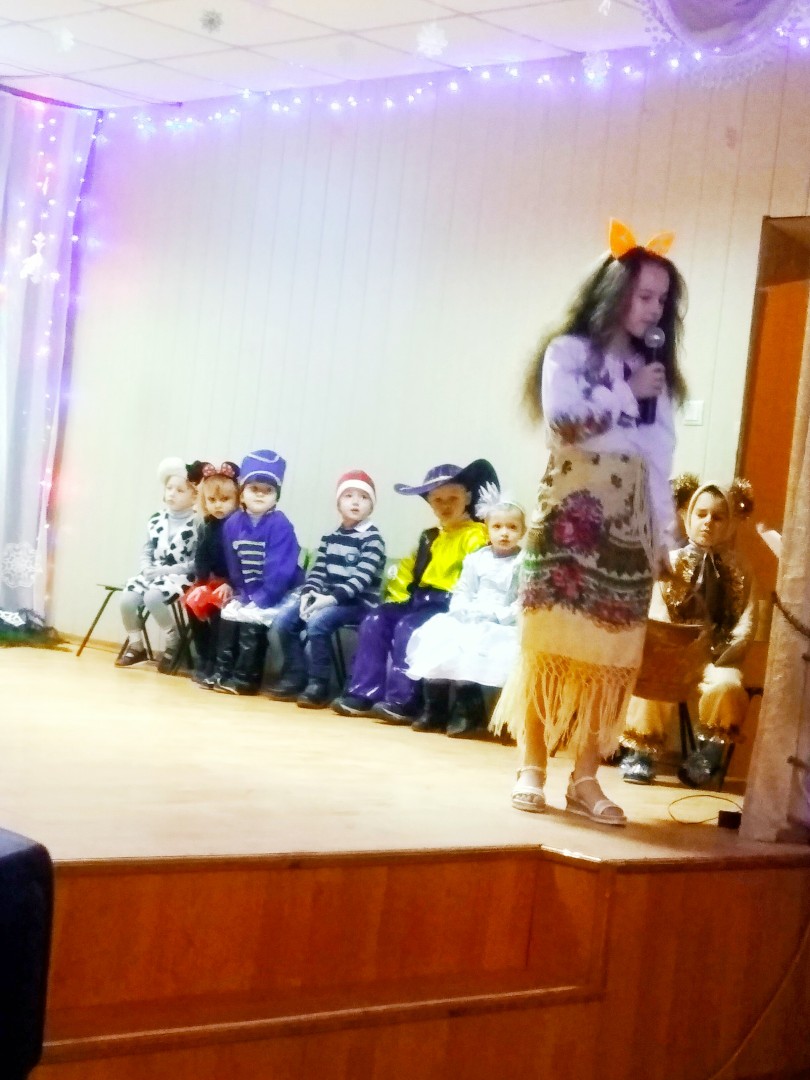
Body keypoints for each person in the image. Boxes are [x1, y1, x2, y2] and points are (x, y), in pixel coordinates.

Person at [490, 219, 687, 826]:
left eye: (662, 300)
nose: (653, 309)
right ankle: (531, 765)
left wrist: (666, 536)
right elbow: (564, 426)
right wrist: (626, 388)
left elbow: (658, 457)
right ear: (613, 293)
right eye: (643, 295)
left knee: (611, 655)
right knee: (548, 642)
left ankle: (585, 778)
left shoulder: (656, 372)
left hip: (628, 524)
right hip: (569, 515)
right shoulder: (569, 352)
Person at [332, 459, 497, 722]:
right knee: (376, 620)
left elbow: (479, 576)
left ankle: (406, 700)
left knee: (408, 627)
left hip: (449, 603)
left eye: (452, 498)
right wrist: (398, 599)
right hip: (418, 599)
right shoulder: (430, 537)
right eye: (438, 500)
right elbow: (408, 572)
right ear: (430, 503)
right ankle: (364, 692)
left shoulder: (477, 536)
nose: (445, 505)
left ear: (467, 498)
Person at [621, 482, 758, 786]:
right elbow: (657, 610)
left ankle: (709, 754)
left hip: (716, 658)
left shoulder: (741, 569)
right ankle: (642, 750)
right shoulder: (670, 562)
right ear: (688, 517)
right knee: (652, 680)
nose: (708, 522)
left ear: (730, 523)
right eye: (702, 514)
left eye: (718, 517)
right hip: (674, 653)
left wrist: (724, 652)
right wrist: (673, 647)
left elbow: (746, 620)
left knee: (728, 686)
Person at [405, 486, 526, 737]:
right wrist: (464, 611)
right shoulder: (477, 558)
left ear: (522, 532)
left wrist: (499, 616)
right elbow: (463, 590)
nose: (504, 533)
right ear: (487, 529)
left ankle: (469, 712)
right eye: (497, 527)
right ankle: (435, 709)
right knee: (439, 636)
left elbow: (524, 600)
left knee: (482, 645)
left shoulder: (523, 563)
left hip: (502, 622)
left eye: (512, 527)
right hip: (471, 615)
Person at [268, 470, 386, 709]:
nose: (355, 502)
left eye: (364, 497)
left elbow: (361, 580)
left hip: (358, 603)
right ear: (338, 503)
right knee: (283, 621)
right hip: (326, 598)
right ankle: (295, 674)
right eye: (349, 496)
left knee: (317, 622)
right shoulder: (330, 537)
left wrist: (329, 599)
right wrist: (309, 594)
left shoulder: (373, 539)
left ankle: (319, 683)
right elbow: (318, 571)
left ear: (371, 506)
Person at [210, 449, 303, 695]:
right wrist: (243, 593)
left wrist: (262, 597)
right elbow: (234, 564)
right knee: (230, 612)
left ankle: (246, 679)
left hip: (281, 591)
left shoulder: (280, 524)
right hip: (250, 590)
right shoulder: (232, 524)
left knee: (252, 618)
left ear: (276, 496)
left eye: (268, 490)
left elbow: (280, 570)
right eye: (254, 489)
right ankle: (223, 671)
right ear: (242, 492)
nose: (260, 494)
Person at [116, 457, 203, 673]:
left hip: (180, 576)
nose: (172, 493)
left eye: (180, 490)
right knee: (127, 599)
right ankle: (136, 645)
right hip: (153, 573)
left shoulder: (198, 523)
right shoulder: (156, 519)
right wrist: (146, 567)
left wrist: (165, 571)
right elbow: (147, 549)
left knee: (152, 597)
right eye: (169, 488)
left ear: (194, 496)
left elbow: (197, 562)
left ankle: (173, 642)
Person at [182, 462, 240, 687]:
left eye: (225, 500)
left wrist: (231, 583)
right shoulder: (208, 525)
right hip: (214, 581)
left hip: (235, 584)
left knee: (217, 610)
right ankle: (204, 655)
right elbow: (202, 557)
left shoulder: (238, 527)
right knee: (191, 602)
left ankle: (217, 661)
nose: (218, 505)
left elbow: (240, 560)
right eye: (212, 500)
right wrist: (200, 583)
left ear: (236, 499)